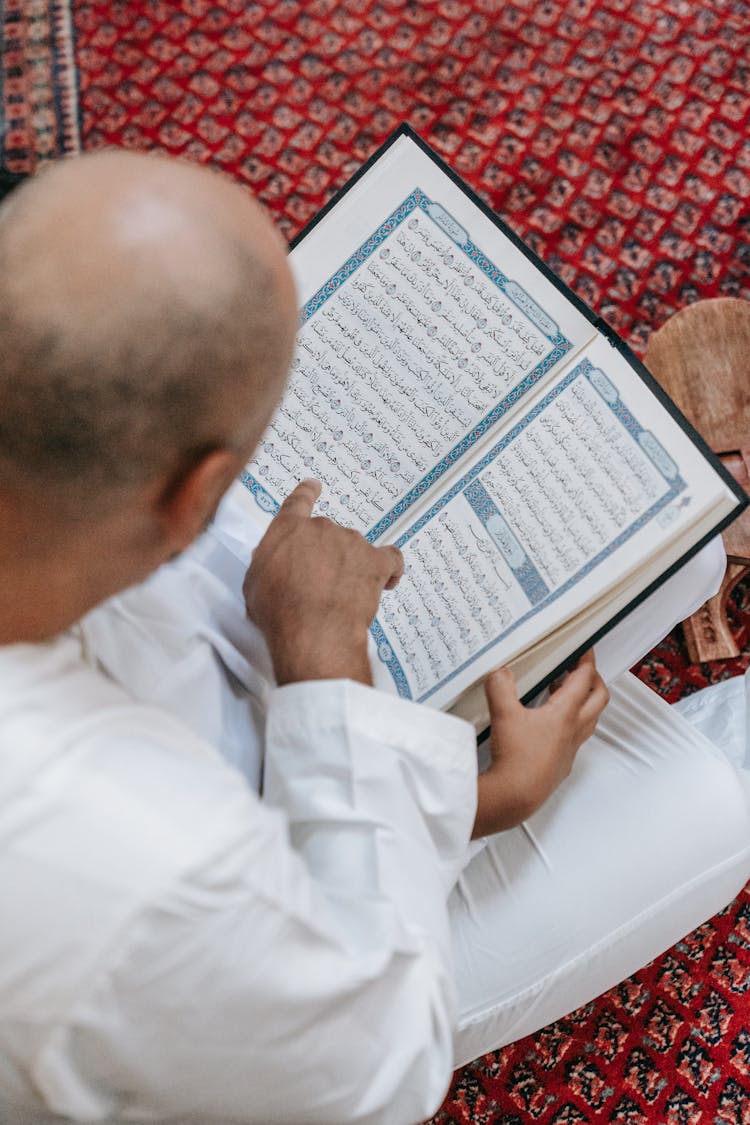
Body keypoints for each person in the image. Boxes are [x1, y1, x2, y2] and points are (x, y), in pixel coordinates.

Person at [0, 150, 747, 1125]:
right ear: (191, 492)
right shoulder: (149, 866)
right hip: (285, 1000)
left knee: (673, 552)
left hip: (228, 745)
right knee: (716, 801)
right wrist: (453, 784)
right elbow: (372, 1071)